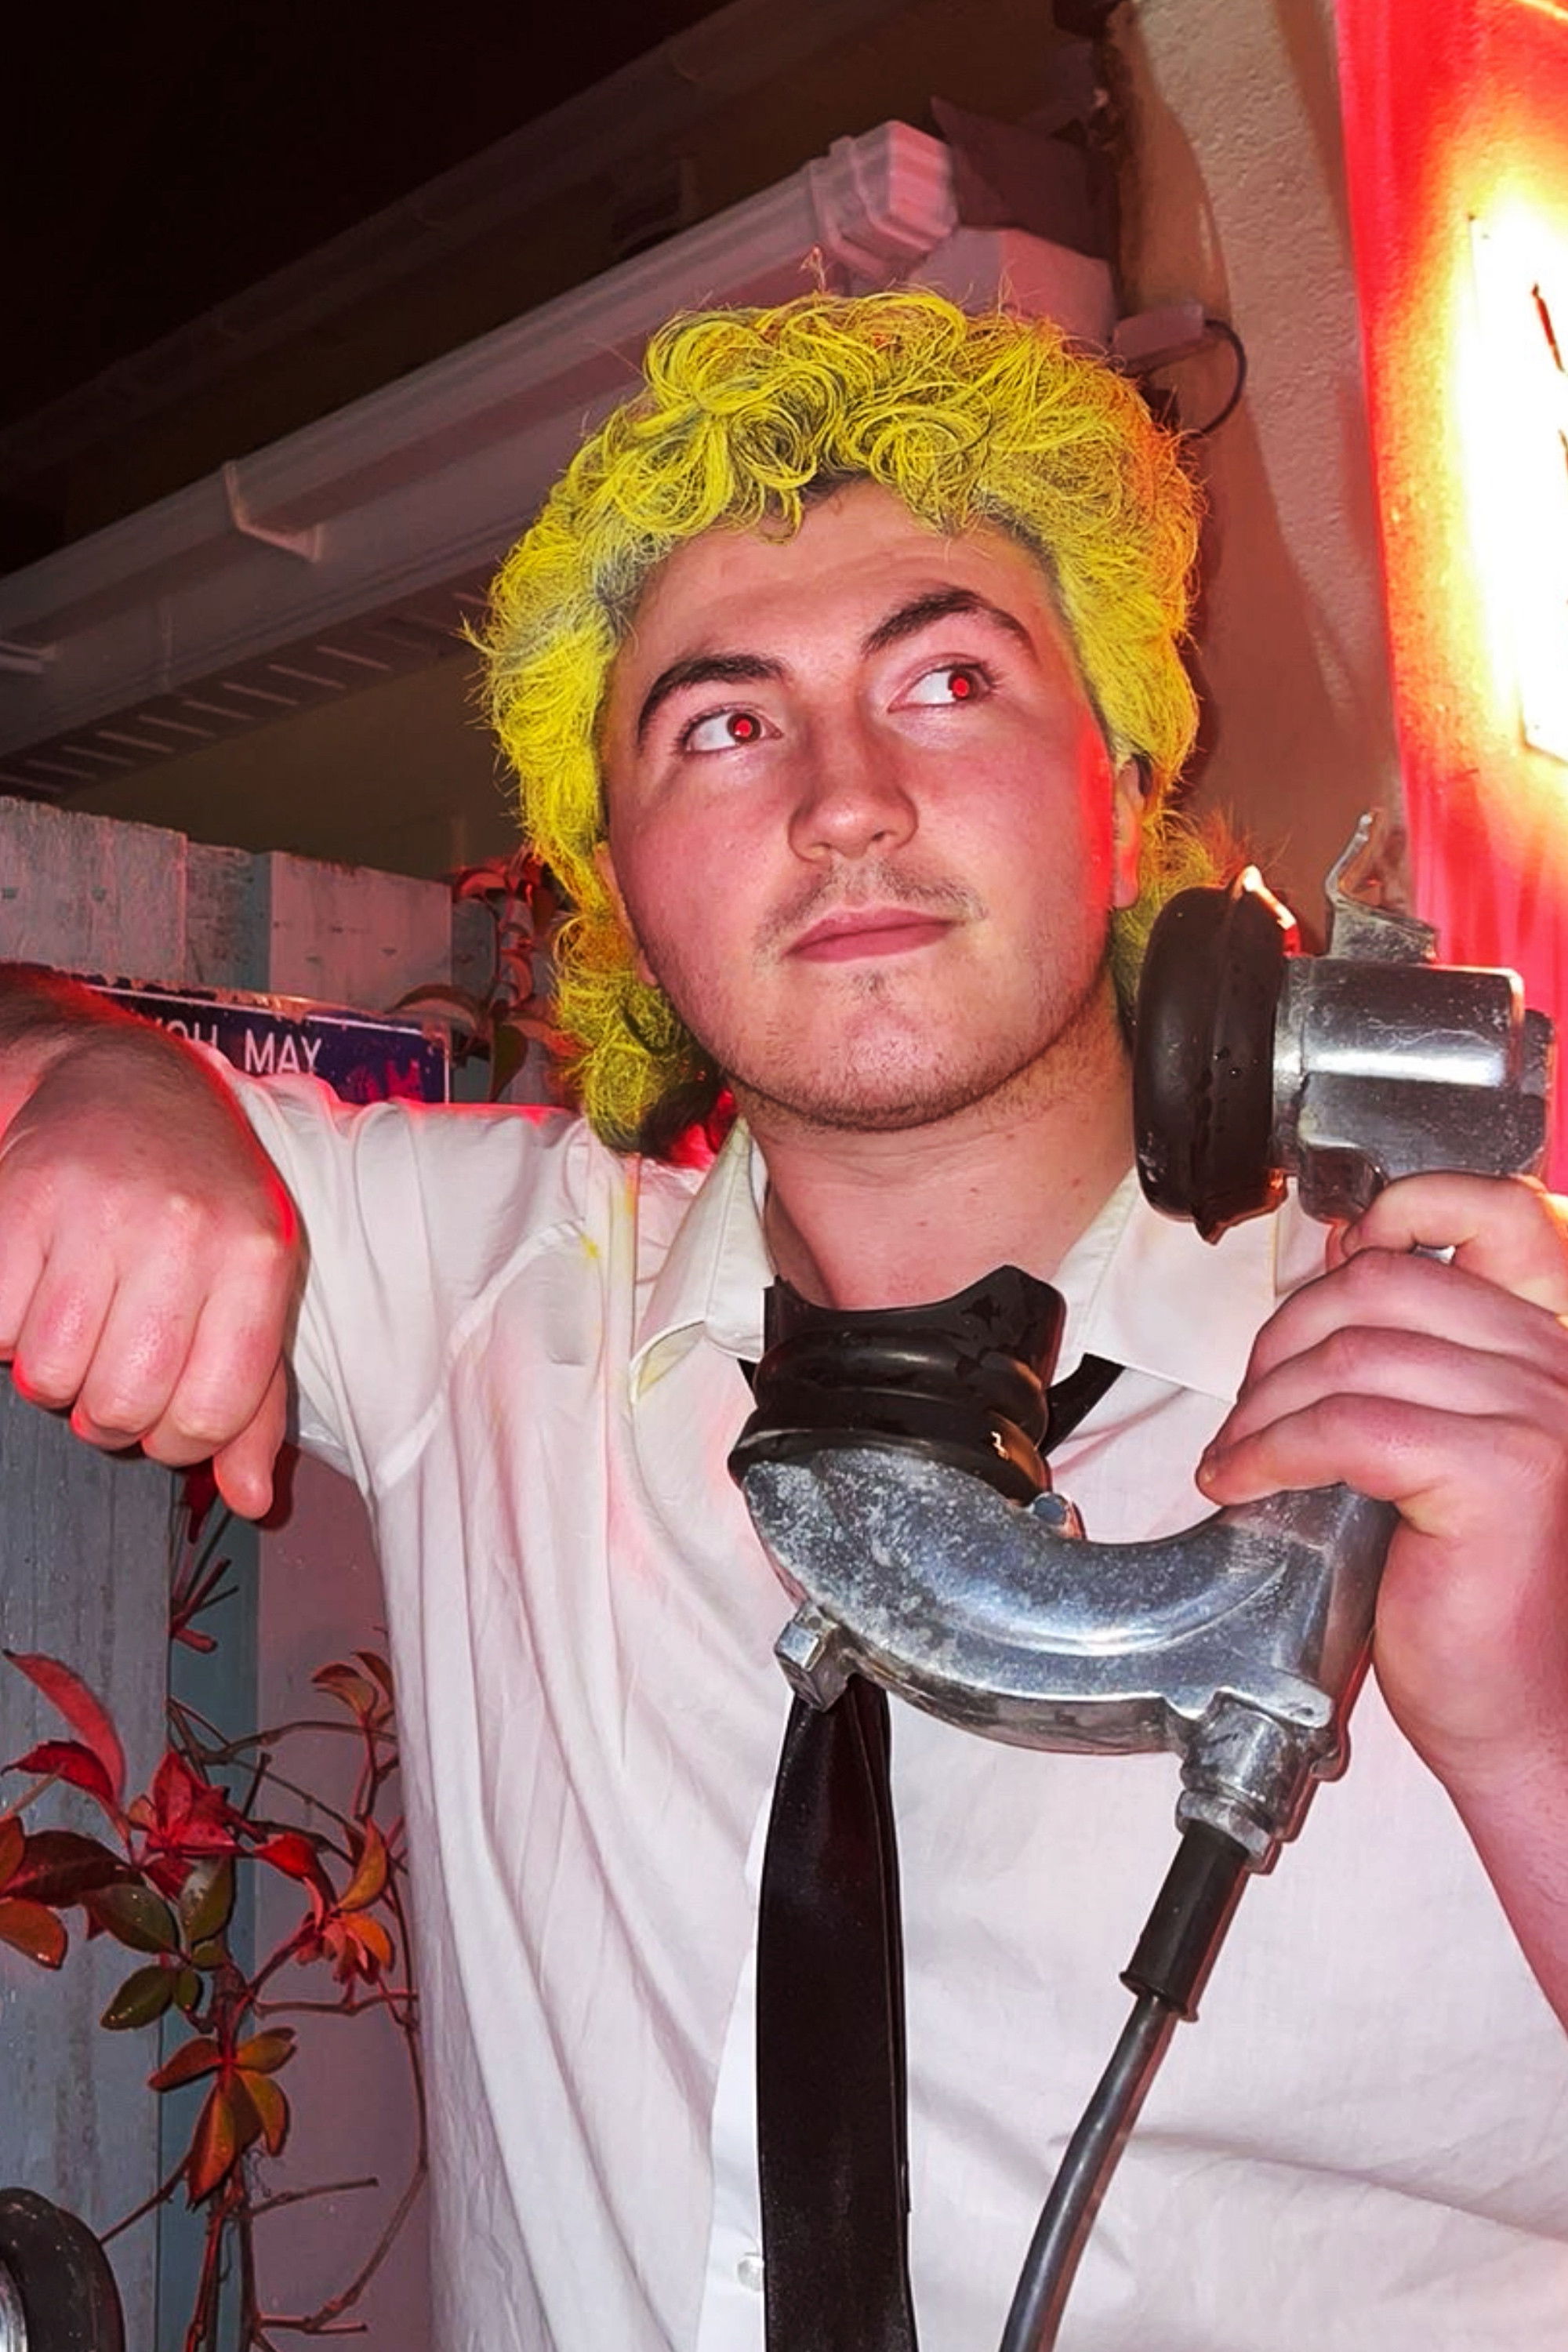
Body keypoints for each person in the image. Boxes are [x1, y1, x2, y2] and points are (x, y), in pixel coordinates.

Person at [2, 290, 1566, 2352]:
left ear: (1119, 770)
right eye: (726, 726)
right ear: (615, 878)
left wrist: (1536, 1729)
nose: (845, 801)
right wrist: (86, 1070)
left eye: (947, 680)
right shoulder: (478, 1285)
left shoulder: (1508, 1380)